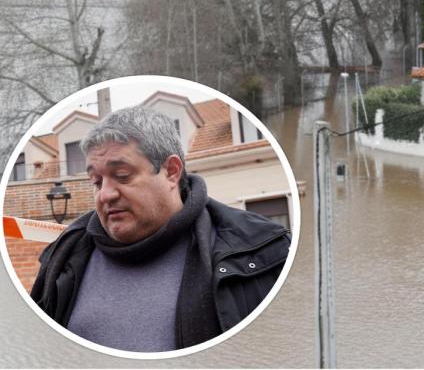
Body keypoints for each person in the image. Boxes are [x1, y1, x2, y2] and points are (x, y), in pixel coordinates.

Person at [31, 105, 291, 352]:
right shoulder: (63, 257)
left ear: (171, 172)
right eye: (97, 182)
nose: (105, 195)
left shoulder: (264, 252)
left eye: (122, 176)